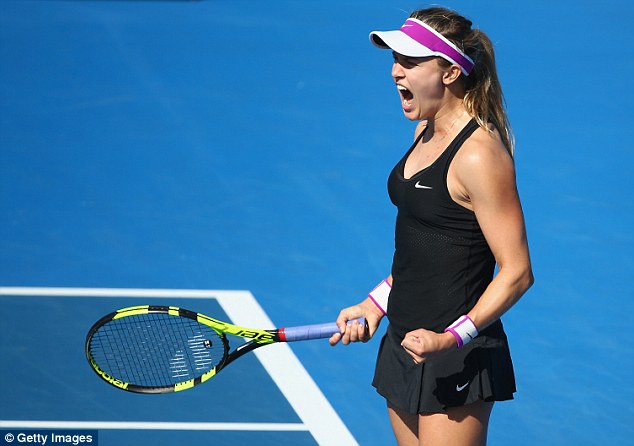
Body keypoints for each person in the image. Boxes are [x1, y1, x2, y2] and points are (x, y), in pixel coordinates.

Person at [329, 7, 534, 446]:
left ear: (449, 72)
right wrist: (374, 304)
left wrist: (451, 340)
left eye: (410, 61)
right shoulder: (424, 130)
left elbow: (517, 272)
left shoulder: (479, 155)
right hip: (404, 339)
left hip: (456, 352)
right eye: (394, 60)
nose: (395, 72)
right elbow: (424, 247)